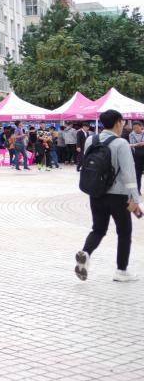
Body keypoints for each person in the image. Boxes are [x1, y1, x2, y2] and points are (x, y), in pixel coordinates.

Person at [75, 110, 142, 282]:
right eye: (122, 122)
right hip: (119, 196)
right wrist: (135, 198)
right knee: (124, 232)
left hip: (96, 193)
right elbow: (129, 173)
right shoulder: (121, 143)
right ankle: (121, 271)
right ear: (118, 122)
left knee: (98, 229)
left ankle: (86, 253)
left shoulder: (91, 140)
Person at [129, 120, 144, 191]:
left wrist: (137, 144)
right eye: (134, 128)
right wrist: (139, 144)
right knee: (138, 173)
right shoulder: (131, 134)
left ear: (141, 127)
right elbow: (130, 145)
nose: (136, 130)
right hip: (137, 156)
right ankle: (138, 190)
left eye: (137, 128)